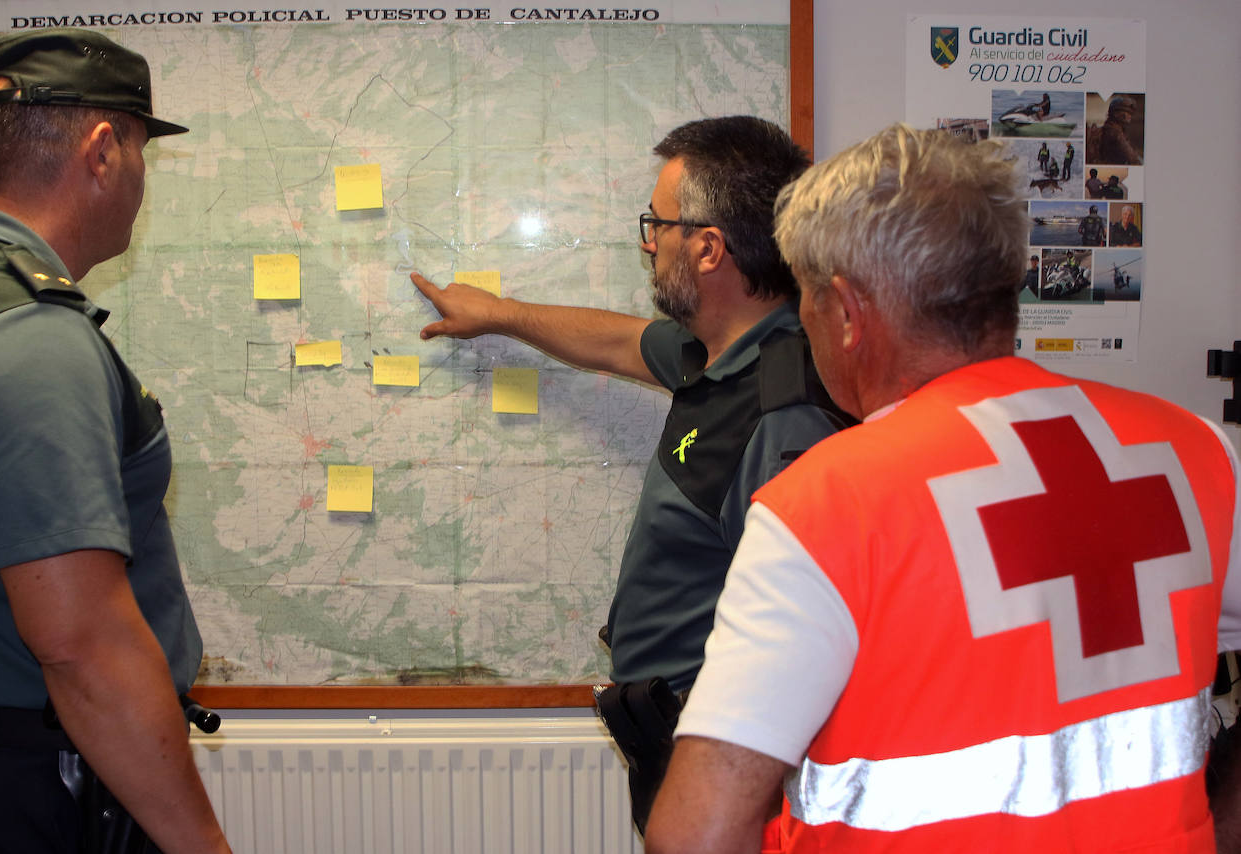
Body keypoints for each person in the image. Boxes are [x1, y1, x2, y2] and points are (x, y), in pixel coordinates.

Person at [645, 123, 1241, 853]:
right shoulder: (1197, 453)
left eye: (802, 296)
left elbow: (695, 837)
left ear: (846, 312)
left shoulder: (827, 504)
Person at [410, 116, 849, 833]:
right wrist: (499, 315)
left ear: (708, 249)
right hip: (677, 742)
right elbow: (615, 342)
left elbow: (802, 639)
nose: (649, 243)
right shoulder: (716, 352)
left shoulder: (781, 412)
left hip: (727, 766)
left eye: (658, 224)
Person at [0, 28, 231, 854]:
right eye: (142, 152)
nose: (143, 182)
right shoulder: (25, 334)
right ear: (104, 150)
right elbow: (81, 644)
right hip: (33, 791)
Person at [1096, 95, 1142, 165]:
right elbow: (1132, 158)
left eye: (1130, 113)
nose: (1130, 116)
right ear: (1116, 113)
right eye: (1127, 112)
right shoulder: (1114, 132)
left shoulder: (1113, 128)